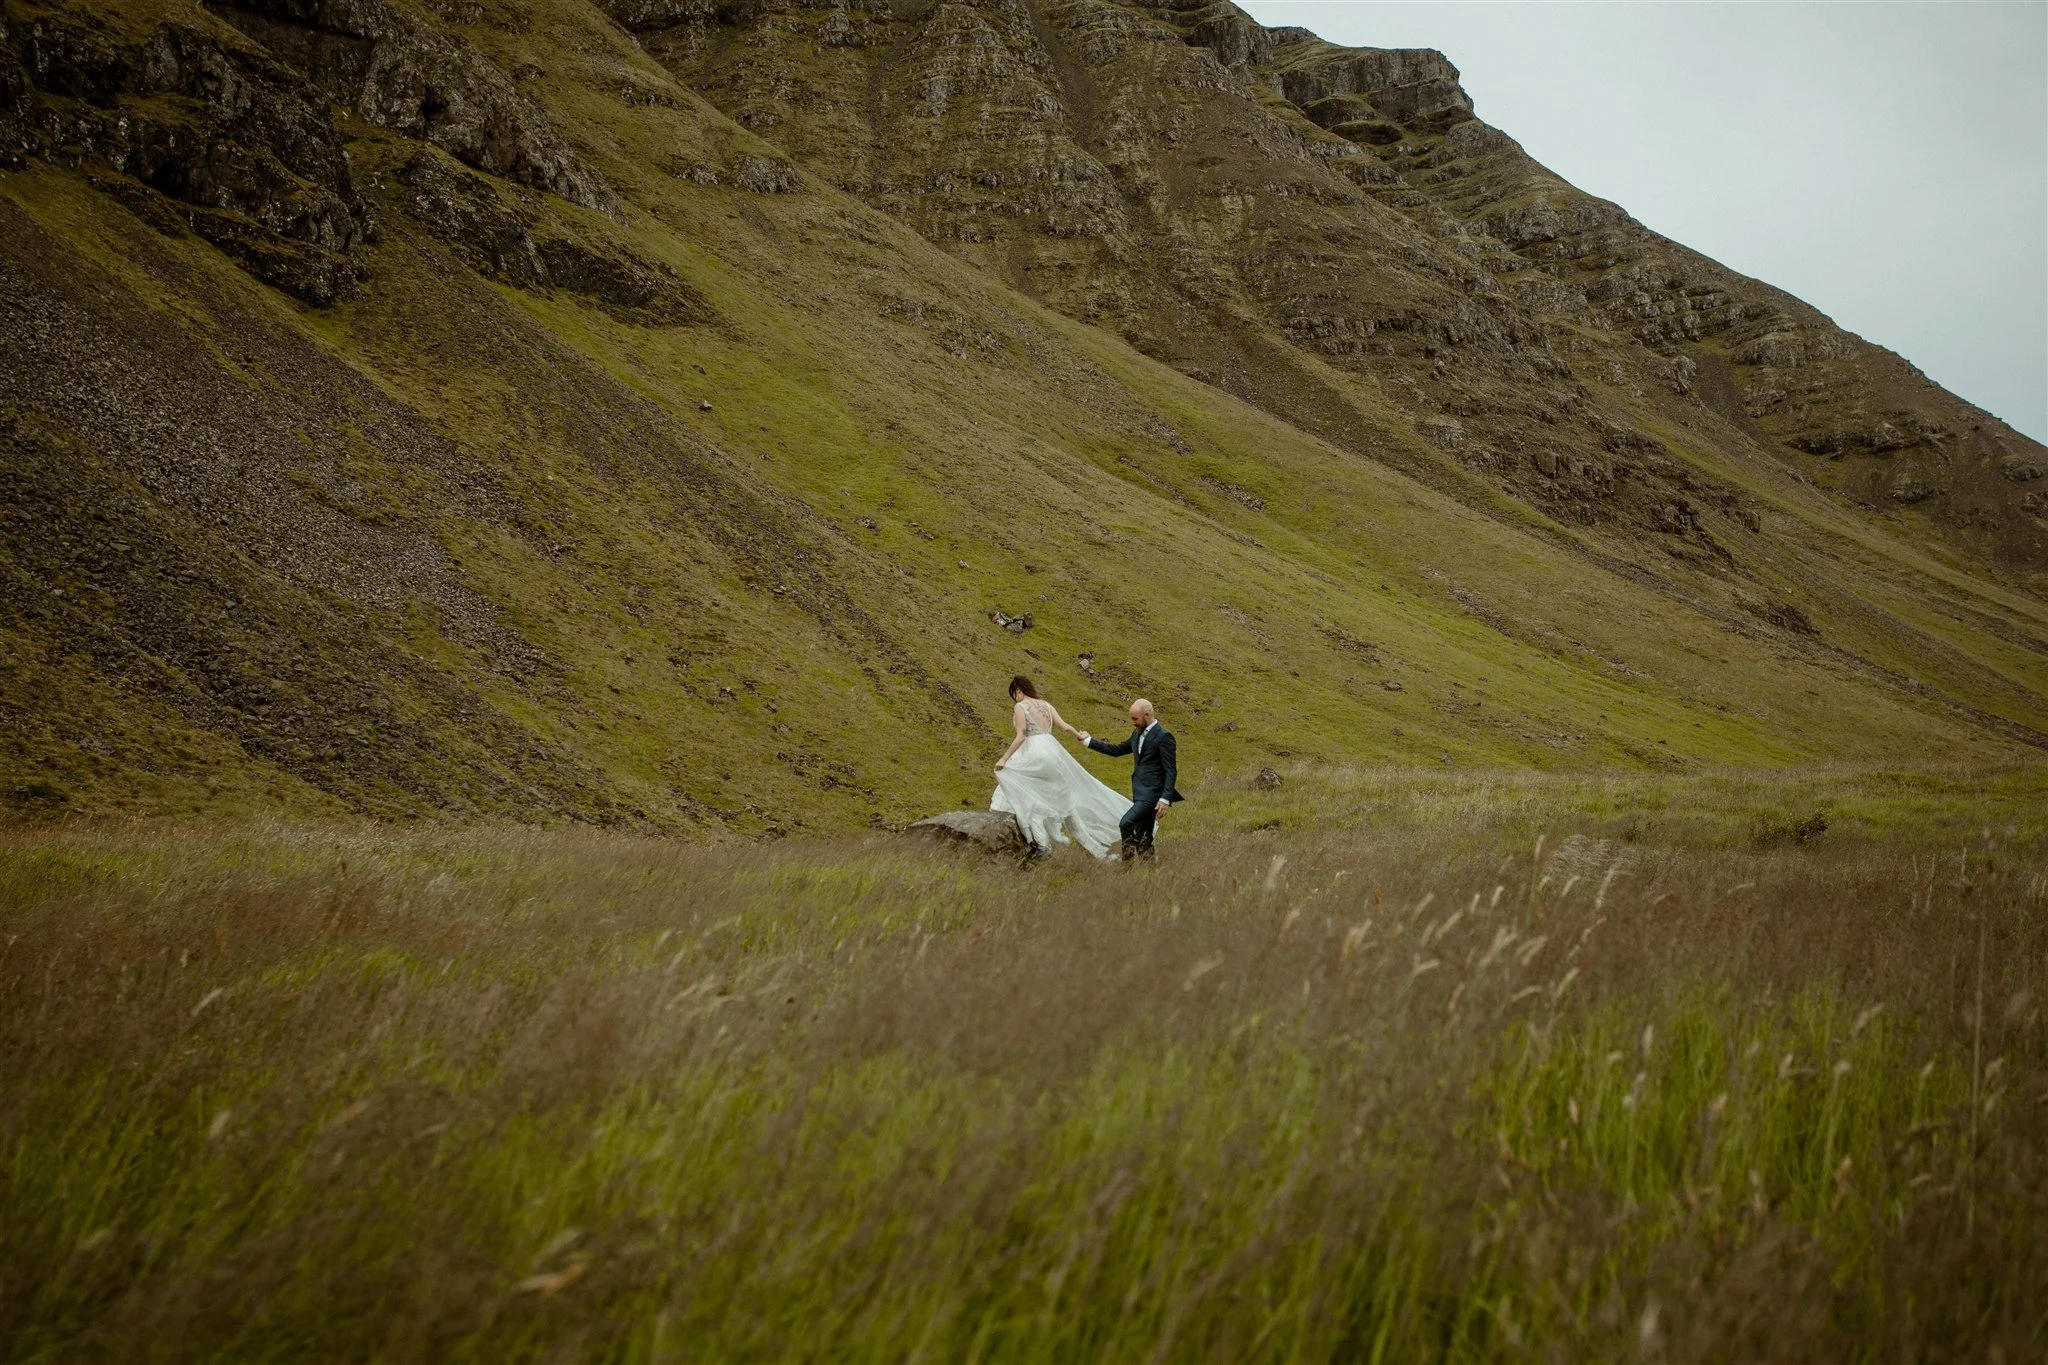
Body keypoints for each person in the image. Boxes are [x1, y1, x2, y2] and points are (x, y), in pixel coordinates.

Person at [990, 676, 1130, 858]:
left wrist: (1004, 758)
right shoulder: (1046, 705)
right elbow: (1064, 727)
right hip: (1053, 752)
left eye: (1014, 695)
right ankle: (1095, 850)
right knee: (1064, 801)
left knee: (1026, 793)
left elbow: (1021, 735)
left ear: (1018, 691)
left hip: (1034, 753)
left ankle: (1041, 845)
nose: (1015, 699)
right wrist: (1079, 735)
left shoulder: (1021, 706)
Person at [1078, 698, 1184, 860]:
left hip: (1152, 795)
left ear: (1147, 715)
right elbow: (1116, 750)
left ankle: (1126, 864)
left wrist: (1165, 798)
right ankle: (1149, 871)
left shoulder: (1164, 736)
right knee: (1144, 838)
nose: (1133, 722)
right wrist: (1088, 741)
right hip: (1139, 793)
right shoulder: (1136, 734)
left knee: (1125, 823)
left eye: (1135, 718)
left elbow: (1170, 770)